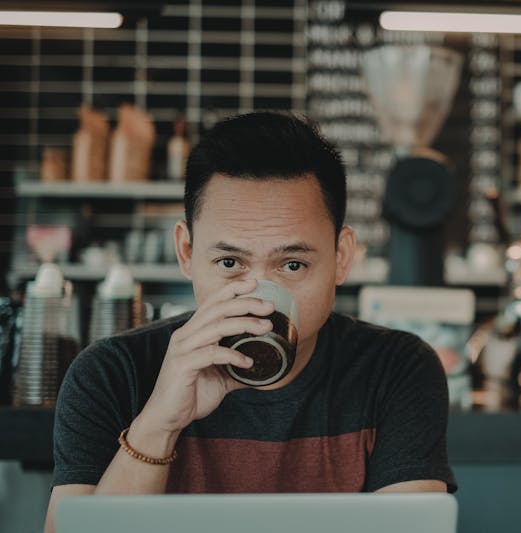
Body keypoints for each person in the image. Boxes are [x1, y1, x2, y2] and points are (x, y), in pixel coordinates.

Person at [44, 111, 456, 533]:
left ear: (342, 257)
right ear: (186, 252)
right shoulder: (112, 373)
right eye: (229, 262)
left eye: (292, 264)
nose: (258, 295)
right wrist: (159, 423)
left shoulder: (396, 369)